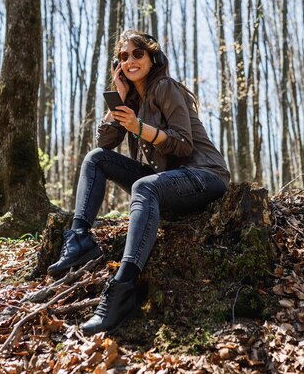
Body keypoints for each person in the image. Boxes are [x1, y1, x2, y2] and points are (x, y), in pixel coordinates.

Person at [47, 29, 230, 336]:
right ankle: (79, 240)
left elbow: (183, 146)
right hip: (166, 182)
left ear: (152, 56)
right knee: (95, 159)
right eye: (123, 56)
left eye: (137, 54)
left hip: (205, 176)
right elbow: (104, 145)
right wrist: (117, 99)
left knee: (143, 187)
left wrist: (139, 127)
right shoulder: (130, 100)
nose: (130, 60)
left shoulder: (166, 88)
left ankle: (122, 289)